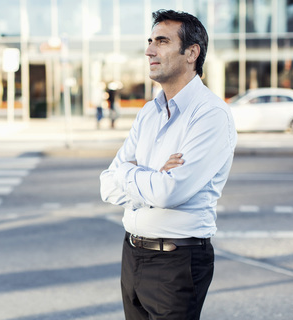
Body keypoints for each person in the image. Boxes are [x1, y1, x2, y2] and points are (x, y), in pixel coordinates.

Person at [100, 9, 237, 320]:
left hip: (176, 262)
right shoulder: (148, 113)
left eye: (161, 41)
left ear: (191, 53)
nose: (149, 50)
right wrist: (151, 174)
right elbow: (106, 184)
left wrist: (131, 174)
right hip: (132, 254)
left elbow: (169, 193)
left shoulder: (210, 115)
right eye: (150, 41)